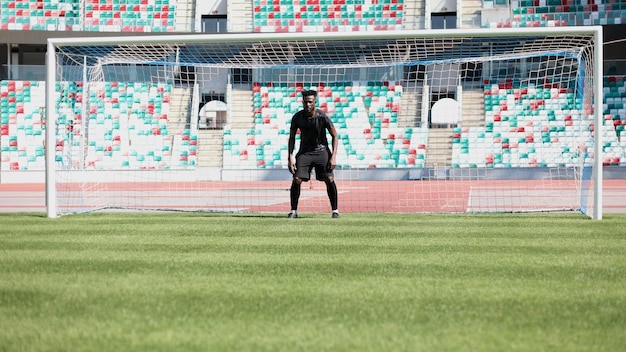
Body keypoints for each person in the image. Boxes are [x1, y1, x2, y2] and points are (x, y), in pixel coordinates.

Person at [287, 89, 339, 219]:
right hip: (305, 152)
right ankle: (293, 211)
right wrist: (290, 156)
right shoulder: (297, 117)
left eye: (310, 102)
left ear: (315, 102)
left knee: (329, 179)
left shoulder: (322, 117)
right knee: (297, 179)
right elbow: (292, 137)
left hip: (321, 151)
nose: (307, 105)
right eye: (305, 102)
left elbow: (335, 136)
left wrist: (333, 156)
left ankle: (335, 211)